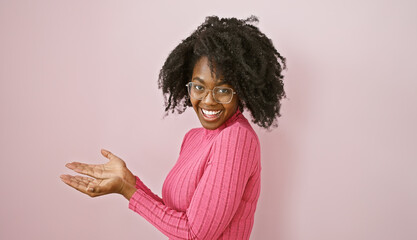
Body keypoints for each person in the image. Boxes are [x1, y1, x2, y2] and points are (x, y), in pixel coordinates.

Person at [60, 15, 286, 240]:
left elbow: (195, 234)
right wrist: (129, 181)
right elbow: (175, 217)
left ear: (242, 91)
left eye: (223, 90)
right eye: (199, 87)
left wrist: (126, 191)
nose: (208, 100)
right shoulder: (193, 138)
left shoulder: (236, 138)